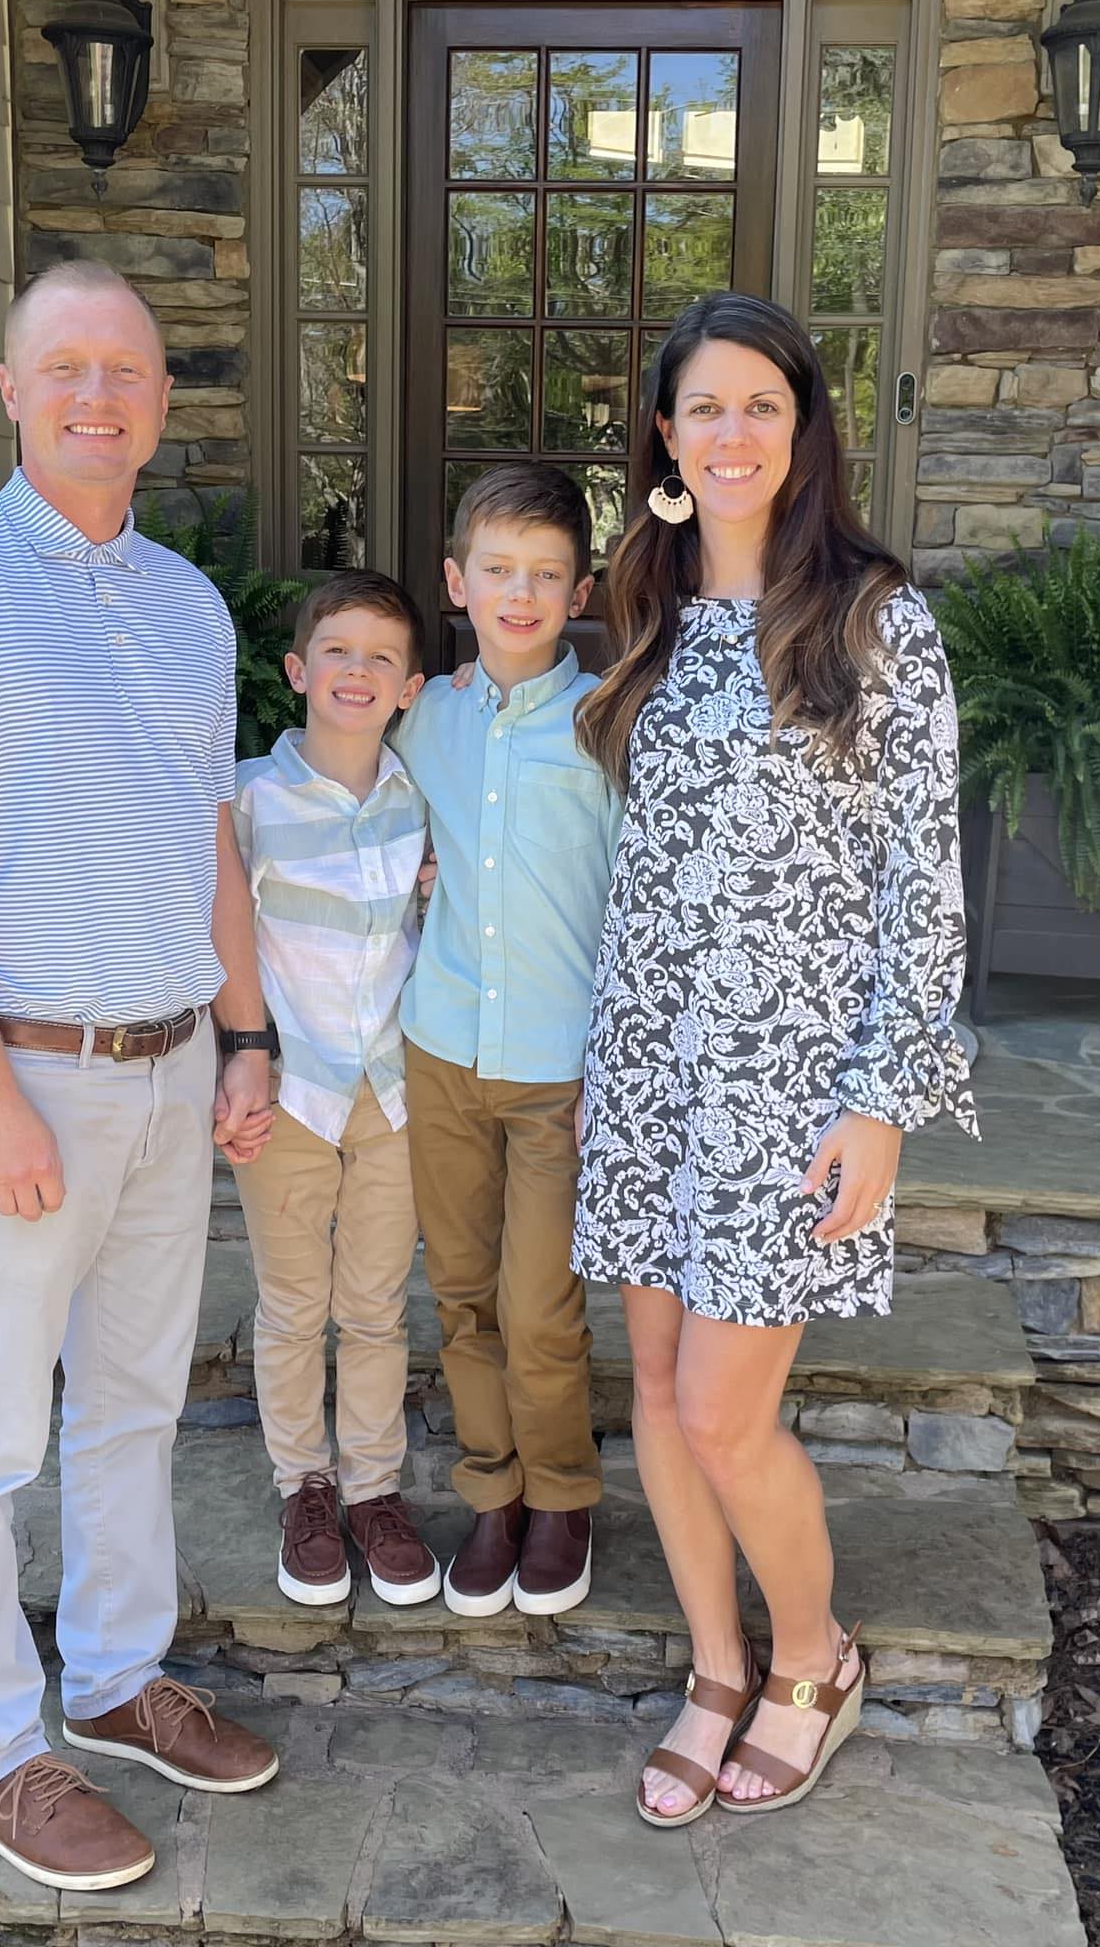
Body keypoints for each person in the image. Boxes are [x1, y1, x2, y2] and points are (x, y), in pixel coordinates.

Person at [0, 260, 281, 1895]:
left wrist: (243, 1034)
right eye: (67, 366)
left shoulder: (187, 606)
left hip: (169, 1075)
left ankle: (112, 1677)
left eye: (127, 371)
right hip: (18, 1078)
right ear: (12, 390)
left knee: (134, 1406)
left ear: (160, 403)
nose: (99, 394)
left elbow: (210, 843)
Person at [572, 291, 978, 1824]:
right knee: (658, 1394)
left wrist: (881, 1104)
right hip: (647, 1069)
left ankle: (812, 1660)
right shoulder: (649, 608)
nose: (730, 432)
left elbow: (923, 887)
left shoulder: (874, 620)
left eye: (761, 404)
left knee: (723, 1416)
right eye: (704, 408)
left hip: (792, 1085)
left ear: (802, 429)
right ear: (664, 437)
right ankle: (714, 1668)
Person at [397, 464, 621, 1620]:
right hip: (439, 1047)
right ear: (457, 582)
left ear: (577, 591)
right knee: (461, 1290)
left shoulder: (608, 724)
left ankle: (561, 1495)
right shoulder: (420, 716)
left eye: (543, 574)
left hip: (555, 1069)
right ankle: (492, 1491)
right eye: (496, 570)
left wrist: (620, 1060)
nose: (518, 594)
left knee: (537, 1304)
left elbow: (642, 905)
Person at [231, 570, 442, 1609]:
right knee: (291, 1302)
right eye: (338, 651)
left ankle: (372, 1487)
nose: (357, 671)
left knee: (373, 1304)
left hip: (393, 1091)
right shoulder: (248, 801)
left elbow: (434, 926)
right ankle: (303, 1485)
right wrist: (234, 1057)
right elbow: (217, 941)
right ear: (297, 670)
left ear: (409, 688)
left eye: (381, 657)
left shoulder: (421, 801)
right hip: (289, 1088)